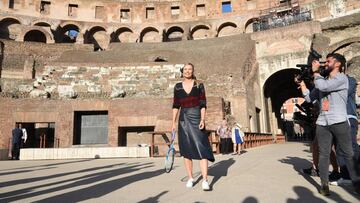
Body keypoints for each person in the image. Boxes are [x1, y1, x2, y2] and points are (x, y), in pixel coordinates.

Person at [298, 53, 360, 195]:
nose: (325, 64)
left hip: (339, 120)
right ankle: (324, 185)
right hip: (322, 122)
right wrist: (302, 83)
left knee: (348, 153)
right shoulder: (322, 81)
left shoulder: (342, 79)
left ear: (338, 64)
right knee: (324, 154)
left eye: (328, 61)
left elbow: (324, 87)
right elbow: (309, 98)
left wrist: (315, 72)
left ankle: (357, 184)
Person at [172, 63, 215, 191]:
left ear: (193, 71)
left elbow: (203, 104)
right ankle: (191, 178)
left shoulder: (199, 85)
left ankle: (205, 180)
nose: (187, 71)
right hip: (183, 118)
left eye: (190, 69)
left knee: (202, 148)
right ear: (182, 71)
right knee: (186, 150)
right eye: (185, 69)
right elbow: (175, 105)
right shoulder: (177, 87)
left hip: (196, 116)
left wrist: (203, 119)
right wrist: (173, 122)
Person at [331, 74, 360, 185]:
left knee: (352, 145)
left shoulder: (350, 80)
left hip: (348, 117)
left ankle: (357, 175)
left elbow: (343, 94)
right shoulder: (328, 82)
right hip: (337, 119)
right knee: (339, 148)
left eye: (329, 62)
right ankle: (346, 177)